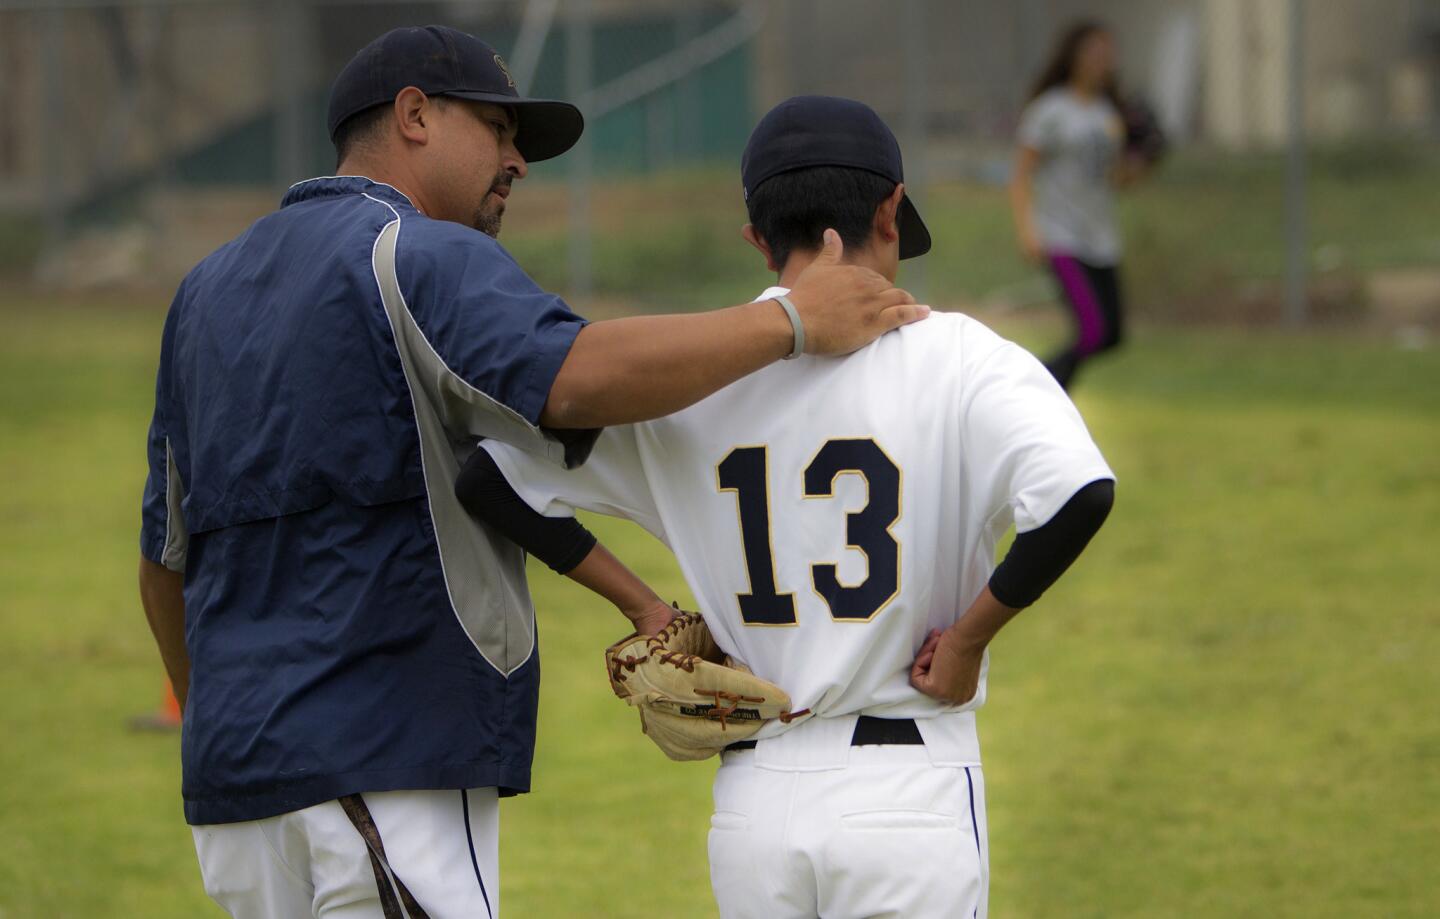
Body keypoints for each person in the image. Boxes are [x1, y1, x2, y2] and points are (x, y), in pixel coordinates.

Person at [136, 27, 925, 918]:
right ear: (415, 116)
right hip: (387, 762)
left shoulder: (203, 291)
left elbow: (165, 560)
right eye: (500, 128)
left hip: (239, 790)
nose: (518, 160)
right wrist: (792, 319)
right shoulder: (414, 252)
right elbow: (578, 378)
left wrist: (227, 727)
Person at [458, 95, 1115, 918]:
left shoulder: (687, 381)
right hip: (906, 792)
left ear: (758, 240)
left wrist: (644, 606)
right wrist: (971, 638)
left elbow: (488, 477)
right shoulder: (960, 356)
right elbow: (1079, 493)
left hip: (755, 804)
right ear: (891, 210)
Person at [1009, 20, 1148, 389]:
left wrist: (1145, 157)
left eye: (1108, 54)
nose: (1103, 60)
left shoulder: (1109, 113)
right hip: (1061, 235)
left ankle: (1035, 389)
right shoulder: (1050, 110)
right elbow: (1021, 175)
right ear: (1073, 56)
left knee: (1113, 334)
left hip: (1101, 236)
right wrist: (1028, 230)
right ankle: (1031, 390)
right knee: (1091, 331)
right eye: (1094, 52)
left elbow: (1118, 179)